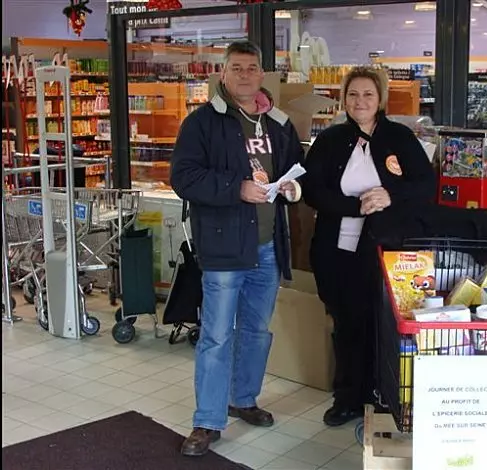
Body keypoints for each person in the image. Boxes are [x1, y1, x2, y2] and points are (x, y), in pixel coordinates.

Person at [170, 40, 304, 456]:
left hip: (268, 247)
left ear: (261, 74)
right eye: (237, 68)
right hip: (224, 248)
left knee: (256, 332)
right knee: (215, 336)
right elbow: (183, 178)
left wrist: (293, 189)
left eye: (251, 68)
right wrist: (236, 188)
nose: (245, 75)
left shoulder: (278, 123)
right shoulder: (202, 123)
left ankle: (243, 399)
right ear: (223, 74)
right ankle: (207, 421)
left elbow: (296, 169)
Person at [302, 66, 437, 427]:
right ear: (343, 99)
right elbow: (312, 190)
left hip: (388, 251)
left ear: (380, 100)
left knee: (385, 323)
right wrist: (355, 206)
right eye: (353, 94)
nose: (360, 101)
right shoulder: (330, 140)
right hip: (337, 251)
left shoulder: (399, 138)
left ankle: (385, 394)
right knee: (347, 324)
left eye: (368, 94)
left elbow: (425, 185)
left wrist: (389, 195)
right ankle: (347, 397)